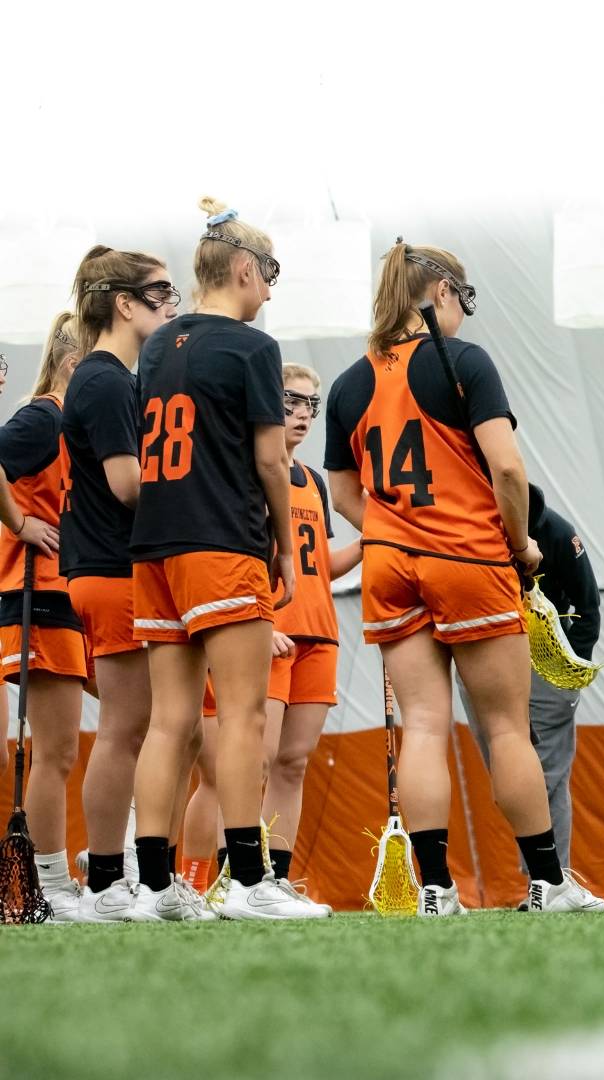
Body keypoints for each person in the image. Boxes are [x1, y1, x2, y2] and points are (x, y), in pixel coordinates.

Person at [326, 240, 604, 915]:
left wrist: (397, 528)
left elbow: (343, 494)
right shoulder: (465, 361)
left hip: (391, 567)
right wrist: (521, 545)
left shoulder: (349, 383)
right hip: (469, 559)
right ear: (443, 292)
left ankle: (435, 890)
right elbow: (506, 468)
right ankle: (548, 883)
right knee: (507, 729)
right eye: (464, 298)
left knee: (424, 725)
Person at [122, 199, 323, 921]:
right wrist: (285, 550)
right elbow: (271, 461)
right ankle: (249, 882)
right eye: (269, 272)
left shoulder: (156, 345)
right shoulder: (252, 348)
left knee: (169, 722)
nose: (269, 289)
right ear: (242, 268)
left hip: (155, 547)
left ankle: (153, 889)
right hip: (221, 542)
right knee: (243, 717)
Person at [61, 245, 177, 921]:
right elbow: (128, 485)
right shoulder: (104, 381)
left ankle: (126, 874)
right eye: (160, 294)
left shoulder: (117, 378)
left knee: (147, 728)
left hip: (112, 567)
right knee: (126, 729)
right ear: (124, 304)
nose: (171, 307)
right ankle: (105, 881)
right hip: (109, 568)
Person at [258, 363, 362, 883]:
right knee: (255, 760)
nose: (303, 414)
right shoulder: (252, 471)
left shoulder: (314, 481)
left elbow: (318, 564)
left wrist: (371, 541)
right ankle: (234, 875)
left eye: (311, 405)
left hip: (319, 633)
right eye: (291, 402)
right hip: (269, 632)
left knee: (293, 763)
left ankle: (277, 877)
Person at [464, 481, 599, 874]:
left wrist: (570, 672)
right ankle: (544, 878)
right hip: (485, 652)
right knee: (509, 774)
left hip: (546, 658)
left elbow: (588, 606)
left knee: (547, 774)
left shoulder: (557, 534)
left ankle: (549, 878)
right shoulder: (472, 531)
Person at [0, 313, 80, 919]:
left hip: (72, 597)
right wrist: (20, 522)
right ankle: (51, 885)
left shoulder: (73, 427)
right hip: (36, 595)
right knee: (56, 751)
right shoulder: (43, 418)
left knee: (146, 719)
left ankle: (124, 865)